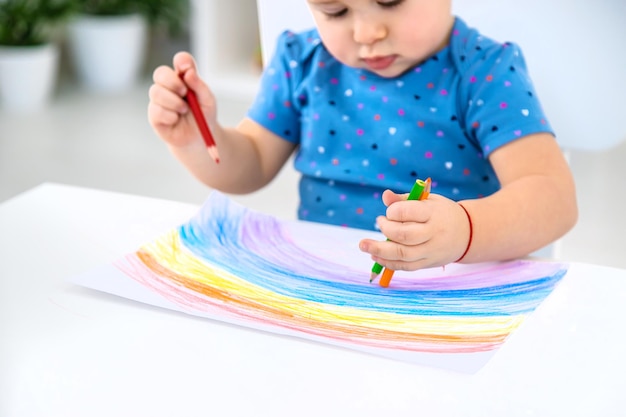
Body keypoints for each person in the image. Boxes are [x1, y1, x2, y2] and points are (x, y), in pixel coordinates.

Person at [147, 0, 577, 272]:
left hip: (453, 291)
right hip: (328, 288)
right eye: (334, 11)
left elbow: (553, 199)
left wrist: (464, 231)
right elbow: (252, 164)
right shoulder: (303, 60)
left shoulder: (484, 70)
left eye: (390, 1)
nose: (366, 33)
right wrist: (194, 139)